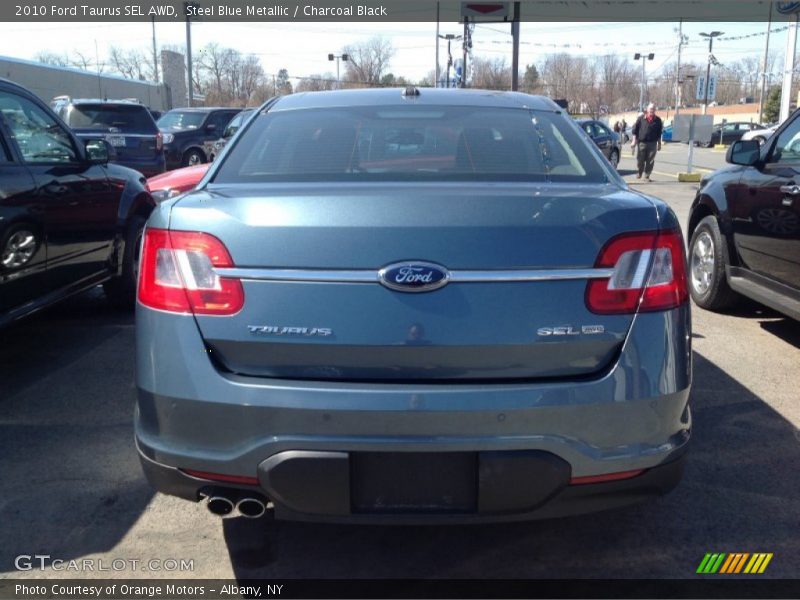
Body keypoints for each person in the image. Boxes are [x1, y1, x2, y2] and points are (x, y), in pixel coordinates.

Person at [631, 104, 663, 181]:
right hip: (642, 143)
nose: (652, 110)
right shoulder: (641, 118)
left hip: (652, 143)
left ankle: (647, 176)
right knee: (640, 160)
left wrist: (659, 144)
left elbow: (659, 133)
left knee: (650, 160)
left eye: (654, 109)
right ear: (647, 110)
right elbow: (635, 130)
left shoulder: (658, 120)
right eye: (651, 109)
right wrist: (633, 141)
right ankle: (639, 172)